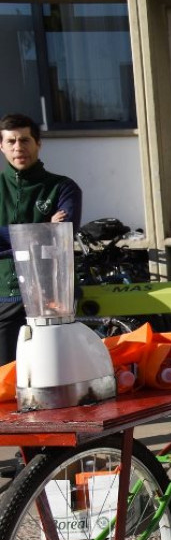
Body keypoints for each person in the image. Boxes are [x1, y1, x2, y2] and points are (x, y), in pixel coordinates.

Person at [0, 113, 83, 364]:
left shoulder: (64, 187)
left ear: (38, 143)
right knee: (6, 381)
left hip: (52, 298)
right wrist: (41, 228)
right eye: (11, 141)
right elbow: (47, 235)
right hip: (4, 297)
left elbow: (61, 236)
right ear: (1, 146)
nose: (18, 147)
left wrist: (9, 241)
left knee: (52, 375)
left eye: (25, 140)